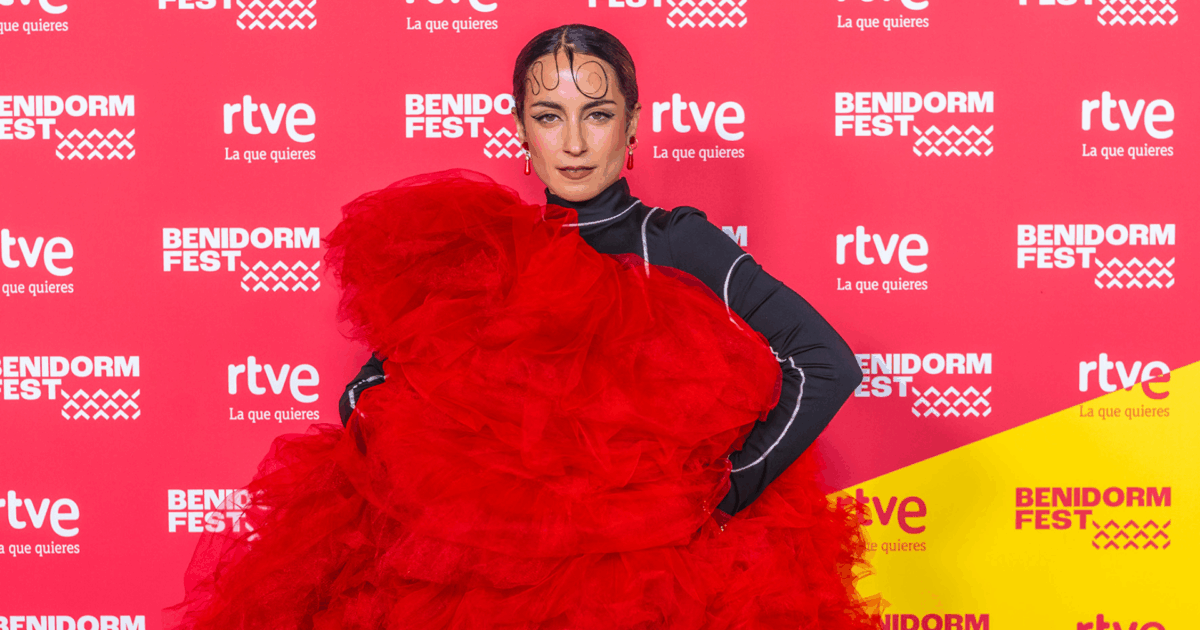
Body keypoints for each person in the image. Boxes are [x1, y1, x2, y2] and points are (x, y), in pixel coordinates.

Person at [166, 24, 874, 630]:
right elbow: (368, 390)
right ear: (519, 130)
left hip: (657, 584)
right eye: (548, 114)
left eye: (596, 114)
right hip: (489, 584)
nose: (573, 141)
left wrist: (728, 491)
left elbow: (825, 361)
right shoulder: (487, 257)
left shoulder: (675, 243)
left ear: (631, 125)